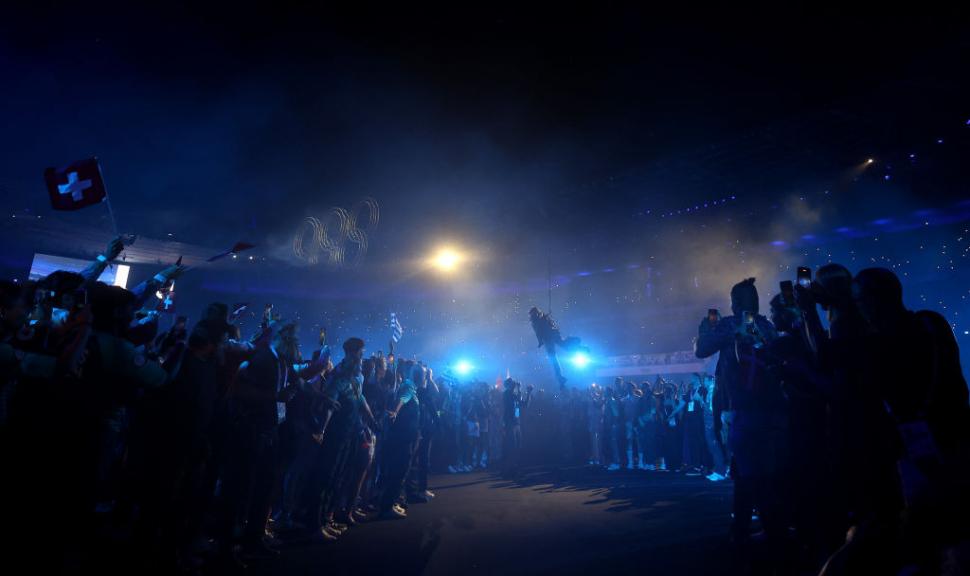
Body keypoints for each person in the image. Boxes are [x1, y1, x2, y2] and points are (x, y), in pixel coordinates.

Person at [528, 306, 586, 387]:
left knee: (554, 358)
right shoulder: (541, 319)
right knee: (563, 347)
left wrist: (540, 342)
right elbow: (544, 329)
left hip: (548, 338)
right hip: (552, 336)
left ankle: (560, 378)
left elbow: (539, 332)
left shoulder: (537, 321)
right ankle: (578, 347)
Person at [501, 377, 533, 478]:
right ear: (508, 385)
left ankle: (515, 467)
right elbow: (512, 400)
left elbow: (525, 405)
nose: (514, 385)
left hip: (517, 423)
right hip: (510, 423)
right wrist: (518, 390)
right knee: (512, 446)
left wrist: (528, 393)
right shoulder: (506, 394)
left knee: (519, 445)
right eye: (512, 384)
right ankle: (508, 469)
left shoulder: (514, 394)